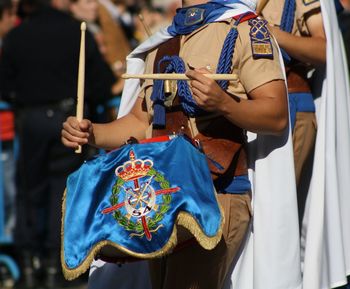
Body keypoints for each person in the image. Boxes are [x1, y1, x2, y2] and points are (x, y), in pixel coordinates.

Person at [62, 1, 302, 288]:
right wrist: (91, 133)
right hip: (163, 198)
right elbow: (142, 122)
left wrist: (224, 104)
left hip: (214, 193)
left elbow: (276, 116)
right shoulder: (166, 40)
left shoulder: (245, 29)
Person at [0, 0, 116, 286]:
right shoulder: (77, 33)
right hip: (68, 118)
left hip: (31, 119)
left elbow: (4, 84)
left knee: (29, 190)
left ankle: (29, 263)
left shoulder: (18, 35)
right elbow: (100, 84)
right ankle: (56, 265)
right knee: (61, 193)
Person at [0, 0, 16, 240]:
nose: (14, 19)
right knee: (7, 190)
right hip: (5, 130)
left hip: (9, 131)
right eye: (11, 13)